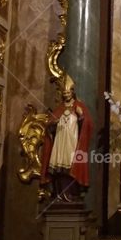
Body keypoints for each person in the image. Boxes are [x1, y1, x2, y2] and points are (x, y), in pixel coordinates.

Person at [39, 71, 93, 200]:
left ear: (73, 92)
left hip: (73, 142)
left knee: (71, 166)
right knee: (59, 169)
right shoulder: (60, 108)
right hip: (60, 141)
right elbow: (50, 124)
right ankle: (59, 194)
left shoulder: (79, 106)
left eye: (68, 93)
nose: (67, 95)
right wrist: (53, 124)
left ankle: (71, 193)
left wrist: (81, 117)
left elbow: (88, 124)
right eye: (64, 93)